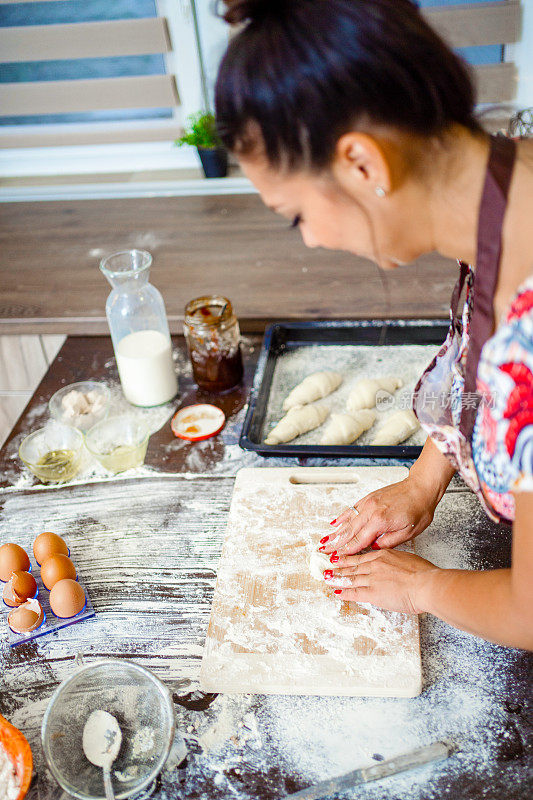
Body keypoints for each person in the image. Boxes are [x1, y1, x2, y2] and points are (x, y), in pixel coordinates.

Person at [215, 0, 533, 650]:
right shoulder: (509, 180)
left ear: (362, 164)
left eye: (294, 214)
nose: (306, 242)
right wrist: (423, 481)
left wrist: (421, 588)